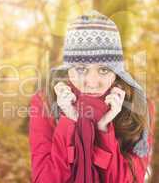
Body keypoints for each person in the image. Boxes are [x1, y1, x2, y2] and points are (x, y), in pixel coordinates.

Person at [28, 10, 155, 183]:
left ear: (117, 70)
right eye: (81, 69)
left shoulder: (139, 107)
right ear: (68, 67)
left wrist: (103, 129)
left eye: (104, 69)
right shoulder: (46, 102)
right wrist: (68, 122)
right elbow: (45, 179)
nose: (92, 83)